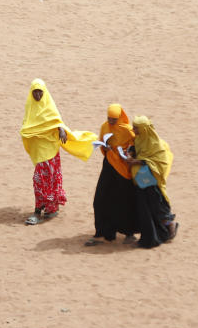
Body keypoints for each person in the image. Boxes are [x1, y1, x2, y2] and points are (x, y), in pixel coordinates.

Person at [19, 79, 97, 225]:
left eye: (40, 92)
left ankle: (39, 211)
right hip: (39, 151)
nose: (37, 95)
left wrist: (61, 129)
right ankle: (46, 208)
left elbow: (57, 121)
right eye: (34, 92)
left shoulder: (49, 105)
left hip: (50, 151)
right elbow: (26, 125)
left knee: (43, 180)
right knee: (42, 181)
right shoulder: (30, 106)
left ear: (44, 92)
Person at [85, 103, 138, 246]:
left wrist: (128, 152)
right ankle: (103, 234)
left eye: (114, 119)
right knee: (101, 198)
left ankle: (129, 233)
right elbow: (101, 140)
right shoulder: (105, 127)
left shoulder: (127, 130)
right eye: (109, 118)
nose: (111, 122)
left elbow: (136, 145)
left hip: (123, 168)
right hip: (109, 165)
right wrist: (105, 147)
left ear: (120, 118)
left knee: (124, 200)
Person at [124, 115, 178, 248]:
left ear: (143, 129)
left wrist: (136, 161)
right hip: (141, 182)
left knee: (158, 208)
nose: (133, 129)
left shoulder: (155, 144)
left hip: (152, 183)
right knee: (144, 211)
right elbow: (136, 148)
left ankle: (170, 227)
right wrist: (129, 153)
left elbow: (159, 162)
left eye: (136, 128)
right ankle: (148, 238)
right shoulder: (140, 139)